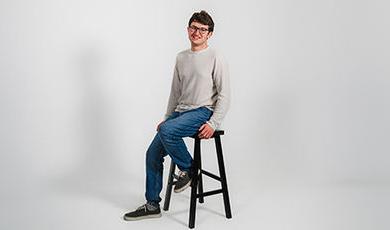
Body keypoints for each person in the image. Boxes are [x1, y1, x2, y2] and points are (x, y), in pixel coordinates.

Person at [123, 10, 230, 221]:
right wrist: (167, 117)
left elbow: (225, 95)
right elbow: (175, 92)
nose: (197, 32)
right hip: (181, 112)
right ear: (187, 29)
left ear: (210, 34)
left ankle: (189, 169)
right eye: (193, 27)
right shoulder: (181, 57)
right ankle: (153, 204)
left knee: (166, 131)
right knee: (152, 154)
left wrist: (213, 123)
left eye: (202, 29)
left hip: (202, 111)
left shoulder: (215, 56)